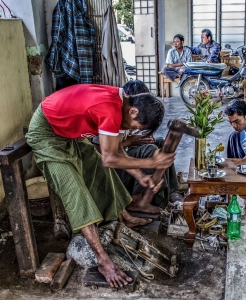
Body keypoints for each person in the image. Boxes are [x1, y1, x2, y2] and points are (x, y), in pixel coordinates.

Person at [26, 84, 175, 288]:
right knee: (74, 188)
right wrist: (151, 163)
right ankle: (104, 261)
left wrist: (141, 175)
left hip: (68, 133)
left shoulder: (124, 105)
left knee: (99, 167)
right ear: (133, 110)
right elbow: (110, 158)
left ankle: (126, 217)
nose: (131, 131)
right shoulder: (110, 109)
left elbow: (115, 154)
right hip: (46, 132)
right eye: (134, 126)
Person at [92, 80, 179, 212]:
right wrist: (132, 142)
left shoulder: (125, 112)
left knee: (160, 144)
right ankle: (137, 199)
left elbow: (123, 142)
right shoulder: (111, 114)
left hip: (123, 152)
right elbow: (102, 152)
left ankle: (169, 192)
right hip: (109, 165)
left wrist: (143, 138)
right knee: (150, 151)